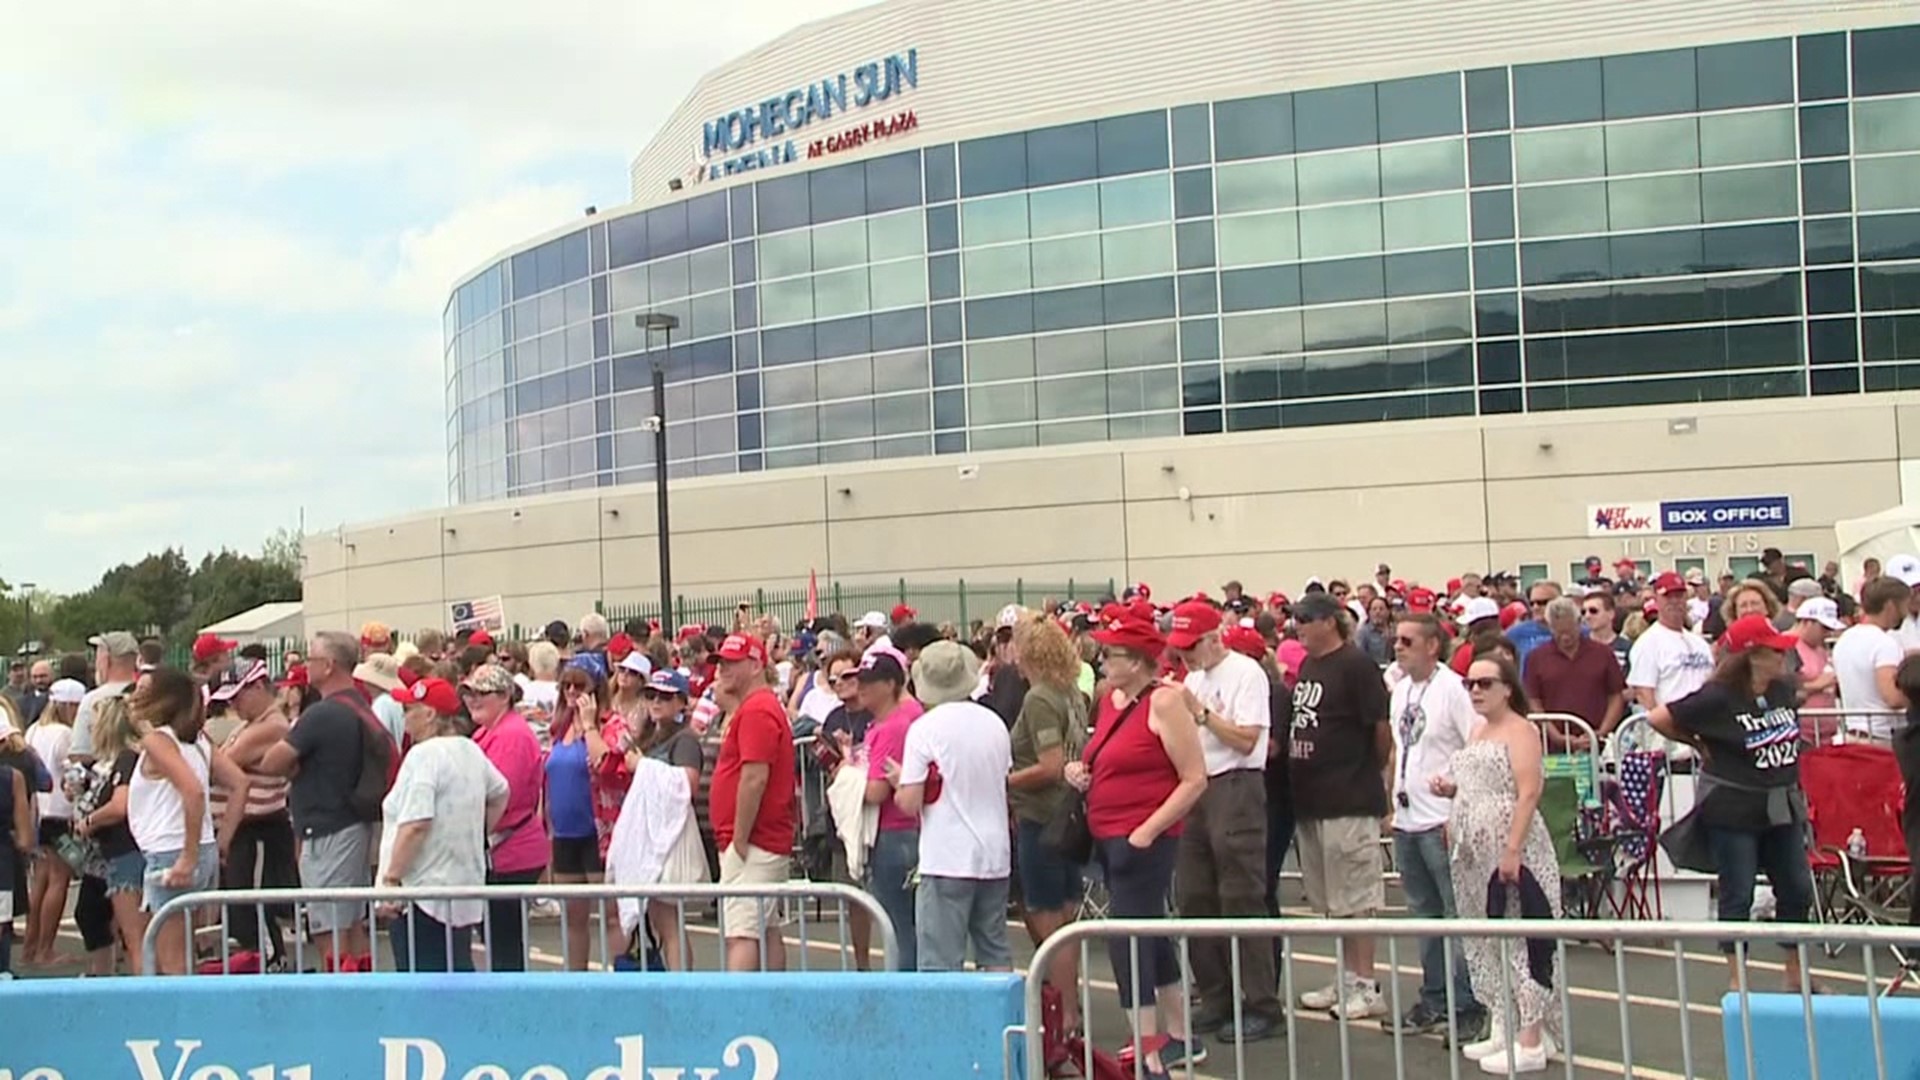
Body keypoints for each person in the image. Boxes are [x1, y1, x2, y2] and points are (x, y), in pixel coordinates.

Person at [1065, 610, 1209, 1077]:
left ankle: (1148, 1052)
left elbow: (1193, 778)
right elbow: (1109, 753)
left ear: (1140, 659)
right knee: (1150, 935)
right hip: (1108, 832)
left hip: (1143, 837)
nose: (1103, 659)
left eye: (1113, 653)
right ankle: (1179, 1035)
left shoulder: (1166, 702)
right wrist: (1081, 773)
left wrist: (1148, 830)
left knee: (1129, 941)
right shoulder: (1111, 699)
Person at [1645, 615, 1814, 993]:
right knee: (1738, 891)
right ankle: (1738, 979)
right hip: (1734, 805)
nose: (1782, 658)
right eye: (1774, 652)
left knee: (1796, 887)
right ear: (1752, 656)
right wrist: (1697, 742)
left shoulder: (1782, 690)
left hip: (1781, 801)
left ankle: (1795, 973)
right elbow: (1659, 717)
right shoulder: (1717, 697)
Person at [1431, 656, 1562, 1074]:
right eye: (1470, 683)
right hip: (1471, 846)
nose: (1475, 691)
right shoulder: (1476, 729)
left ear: (1508, 688)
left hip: (1511, 841)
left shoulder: (1522, 730)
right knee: (1486, 937)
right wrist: (1451, 788)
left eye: (1485, 683)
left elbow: (1527, 792)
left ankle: (1531, 1037)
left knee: (1522, 936)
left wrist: (1513, 848)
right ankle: (1503, 1025)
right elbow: (1477, 783)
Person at [1163, 599, 1278, 1043]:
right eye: (1182, 649)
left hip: (1236, 784)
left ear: (1214, 639)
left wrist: (1200, 713)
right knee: (1195, 895)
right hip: (1200, 784)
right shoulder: (1194, 676)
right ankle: (1216, 995)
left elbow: (1249, 740)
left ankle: (1260, 1002)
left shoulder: (1246, 673)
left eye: (1192, 646)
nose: (1186, 657)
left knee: (1241, 895)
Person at [1288, 591, 1392, 1020]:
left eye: (1306, 619)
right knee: (1330, 900)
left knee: (1356, 896)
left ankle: (1367, 983)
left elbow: (1380, 730)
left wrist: (1371, 773)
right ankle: (1346, 977)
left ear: (1330, 621)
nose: (1299, 627)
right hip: (1312, 799)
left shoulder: (1356, 665)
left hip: (1348, 795)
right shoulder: (1311, 665)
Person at [1383, 614, 1485, 1041]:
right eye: (1396, 640)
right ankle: (1435, 997)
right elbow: (1397, 749)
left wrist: (1458, 802)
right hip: (1408, 820)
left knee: (1456, 913)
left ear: (1432, 647)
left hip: (1441, 820)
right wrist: (1390, 801)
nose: (1398, 647)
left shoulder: (1454, 691)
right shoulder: (1401, 689)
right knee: (1423, 913)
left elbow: (1475, 746)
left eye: (1408, 640)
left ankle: (1467, 1004)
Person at [259, 631, 381, 972]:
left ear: (328, 666)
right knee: (352, 920)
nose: (306, 666)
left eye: (311, 659)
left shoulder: (322, 714)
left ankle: (337, 994)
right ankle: (359, 987)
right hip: (353, 821)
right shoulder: (359, 705)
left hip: (325, 827)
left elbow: (273, 761)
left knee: (329, 925)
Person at [893, 641, 1014, 972]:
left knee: (940, 961)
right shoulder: (995, 723)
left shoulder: (924, 729)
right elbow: (1003, 780)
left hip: (946, 855)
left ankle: (945, 1025)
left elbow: (910, 801)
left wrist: (898, 783)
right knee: (995, 950)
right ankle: (1001, 1021)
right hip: (994, 853)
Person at [377, 677, 510, 973]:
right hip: (461, 887)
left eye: (409, 709)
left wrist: (391, 881)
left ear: (429, 714)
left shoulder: (424, 755)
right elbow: (500, 793)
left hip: (421, 893)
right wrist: (474, 832)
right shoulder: (470, 749)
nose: (404, 717)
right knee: (457, 973)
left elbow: (416, 823)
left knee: (421, 983)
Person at [128, 668, 252, 976]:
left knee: (173, 959)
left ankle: (183, 1023)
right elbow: (240, 784)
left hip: (173, 850)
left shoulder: (159, 741)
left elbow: (193, 792)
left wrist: (188, 856)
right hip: (200, 845)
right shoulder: (199, 742)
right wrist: (220, 842)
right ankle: (177, 1019)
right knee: (171, 950)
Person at [1006, 618, 1088, 1024]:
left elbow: (1050, 765)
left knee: (1046, 911)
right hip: (1067, 811)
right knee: (1065, 909)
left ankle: (1066, 1009)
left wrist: (1003, 780)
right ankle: (1068, 1000)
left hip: (1042, 814)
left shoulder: (1039, 698)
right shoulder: (1070, 692)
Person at [708, 632, 796, 972]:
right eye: (722, 663)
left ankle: (738, 1011)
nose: (723, 670)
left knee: (742, 933)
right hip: (756, 839)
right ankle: (770, 1004)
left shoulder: (758, 709)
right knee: (764, 927)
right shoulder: (757, 707)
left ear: (756, 665)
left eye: (733, 663)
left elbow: (755, 777)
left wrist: (740, 839)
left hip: (754, 840)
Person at [206, 660, 297, 969]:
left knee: (252, 906)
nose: (233, 705)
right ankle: (265, 962)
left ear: (259, 686)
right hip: (245, 829)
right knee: (242, 909)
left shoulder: (271, 727)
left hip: (258, 828)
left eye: (238, 696)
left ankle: (272, 965)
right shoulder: (250, 726)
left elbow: (218, 767)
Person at [462, 663, 546, 971]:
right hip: (502, 848)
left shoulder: (511, 735)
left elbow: (499, 794)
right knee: (499, 937)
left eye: (482, 693)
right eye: (469, 692)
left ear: (505, 696)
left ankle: (514, 1005)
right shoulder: (490, 731)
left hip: (511, 850)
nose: (473, 699)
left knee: (504, 940)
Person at [544, 661, 628, 970]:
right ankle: (575, 979)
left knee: (611, 915)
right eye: (566, 685)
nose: (571, 692)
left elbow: (606, 763)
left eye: (579, 686)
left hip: (599, 830)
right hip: (565, 833)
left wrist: (590, 723)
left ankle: (623, 976)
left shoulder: (610, 724)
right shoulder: (560, 727)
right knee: (573, 916)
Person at [631, 670, 710, 970]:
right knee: (661, 920)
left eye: (665, 697)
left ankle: (681, 984)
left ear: (681, 702)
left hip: (672, 836)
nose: (656, 702)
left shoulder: (685, 740)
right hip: (652, 834)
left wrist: (642, 766)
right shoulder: (652, 736)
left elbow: (687, 785)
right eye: (651, 695)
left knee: (669, 921)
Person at [70, 694, 149, 973]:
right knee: (125, 930)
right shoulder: (120, 760)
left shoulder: (127, 759)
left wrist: (90, 821)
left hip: (125, 852)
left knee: (135, 936)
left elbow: (119, 807)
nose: (91, 729)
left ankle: (144, 993)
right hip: (116, 853)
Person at [859, 648, 926, 970]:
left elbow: (875, 790)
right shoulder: (892, 722)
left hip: (894, 832)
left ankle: (905, 992)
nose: (862, 688)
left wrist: (848, 778)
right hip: (899, 831)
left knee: (900, 925)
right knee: (905, 923)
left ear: (889, 684)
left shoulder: (893, 727)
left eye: (869, 682)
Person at [21, 678, 81, 966]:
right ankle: (45, 949)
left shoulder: (33, 730)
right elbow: (71, 776)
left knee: (41, 882)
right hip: (59, 813)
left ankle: (30, 948)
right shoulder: (66, 735)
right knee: (59, 880)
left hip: (38, 814)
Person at [1524, 597, 1626, 749]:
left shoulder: (1603, 653)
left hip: (1599, 744)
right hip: (1553, 748)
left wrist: (1601, 732)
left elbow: (1616, 696)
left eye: (1570, 630)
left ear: (1579, 623)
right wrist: (1556, 736)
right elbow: (1533, 701)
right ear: (1550, 628)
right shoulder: (1536, 658)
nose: (1565, 637)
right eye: (1559, 632)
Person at [1832, 576, 1911, 745]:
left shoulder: (1845, 638)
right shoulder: (1884, 643)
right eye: (1904, 605)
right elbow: (1893, 698)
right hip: (1882, 737)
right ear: (1891, 606)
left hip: (1853, 733)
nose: (1906, 612)